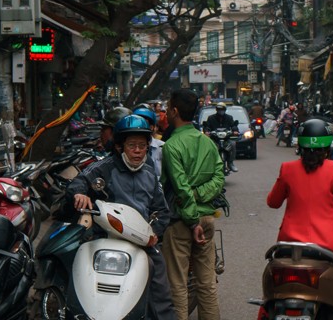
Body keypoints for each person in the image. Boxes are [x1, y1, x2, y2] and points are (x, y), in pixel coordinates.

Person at [64, 114, 174, 320]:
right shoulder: (104, 168)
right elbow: (79, 182)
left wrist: (155, 233)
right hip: (105, 238)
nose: (138, 151)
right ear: (119, 146)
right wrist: (79, 193)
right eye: (132, 145)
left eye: (142, 145)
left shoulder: (150, 174)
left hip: (141, 242)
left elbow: (162, 211)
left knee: (160, 287)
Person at [266, 119, 333, 320]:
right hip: (329, 245)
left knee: (272, 289)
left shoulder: (287, 168)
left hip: (289, 244)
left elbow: (273, 202)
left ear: (300, 145)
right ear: (327, 146)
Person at [161, 89, 224, 320]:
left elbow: (180, 188)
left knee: (176, 285)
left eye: (168, 108)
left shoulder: (171, 146)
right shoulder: (207, 142)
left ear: (175, 111)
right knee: (206, 284)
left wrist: (192, 217)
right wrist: (200, 196)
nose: (166, 112)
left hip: (183, 222)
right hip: (207, 220)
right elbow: (219, 178)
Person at [202, 103, 239, 173]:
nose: (220, 111)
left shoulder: (229, 118)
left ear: (225, 110)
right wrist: (206, 131)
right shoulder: (211, 118)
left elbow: (233, 126)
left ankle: (230, 163)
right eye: (219, 109)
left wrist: (235, 131)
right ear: (216, 110)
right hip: (214, 139)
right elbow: (207, 127)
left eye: (222, 109)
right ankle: (209, 164)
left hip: (226, 139)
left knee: (233, 144)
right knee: (208, 146)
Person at [133, 106, 166, 176]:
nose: (139, 127)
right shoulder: (127, 148)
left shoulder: (162, 147)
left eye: (144, 123)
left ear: (152, 127)